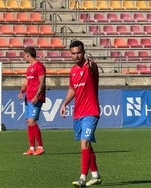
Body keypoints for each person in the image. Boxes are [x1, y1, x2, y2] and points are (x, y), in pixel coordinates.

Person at [60, 40, 101, 187]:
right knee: (86, 146)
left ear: (83, 52)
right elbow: (72, 89)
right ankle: (95, 175)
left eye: (79, 52)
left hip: (91, 112)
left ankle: (82, 178)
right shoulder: (73, 71)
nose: (76, 56)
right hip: (78, 113)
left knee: (84, 143)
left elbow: (93, 69)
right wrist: (64, 103)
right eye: (73, 53)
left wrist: (92, 67)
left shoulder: (90, 66)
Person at [18, 46, 46, 156]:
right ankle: (31, 148)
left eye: (24, 55)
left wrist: (37, 96)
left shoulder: (39, 66)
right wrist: (22, 90)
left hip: (36, 98)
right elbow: (26, 82)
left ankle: (40, 147)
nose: (23, 57)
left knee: (32, 121)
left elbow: (42, 82)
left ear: (28, 55)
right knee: (29, 123)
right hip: (28, 98)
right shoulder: (29, 69)